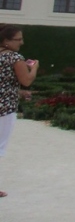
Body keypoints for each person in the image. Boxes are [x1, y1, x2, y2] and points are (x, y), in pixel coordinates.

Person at [0, 24, 38, 198]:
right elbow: (26, 80)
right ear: (6, 41)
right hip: (5, 108)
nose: (21, 42)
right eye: (18, 39)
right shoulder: (14, 57)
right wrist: (34, 68)